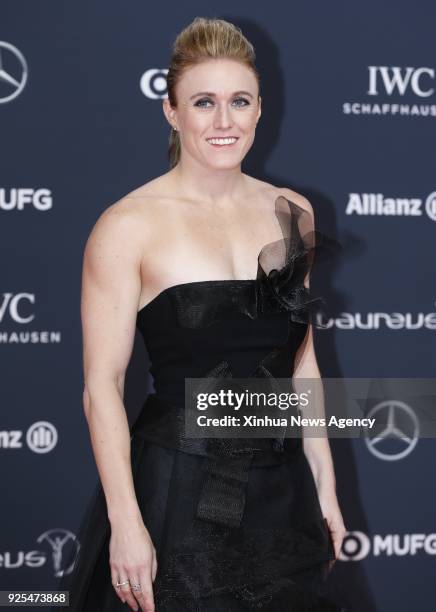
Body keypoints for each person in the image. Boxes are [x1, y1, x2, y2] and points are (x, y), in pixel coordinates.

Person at [57, 16, 347, 612]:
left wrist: (325, 487)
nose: (223, 121)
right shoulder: (127, 225)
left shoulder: (293, 213)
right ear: (171, 111)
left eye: (238, 101)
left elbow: (303, 369)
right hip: (178, 494)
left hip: (281, 492)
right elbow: (101, 387)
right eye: (203, 102)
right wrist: (126, 523)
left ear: (260, 108)